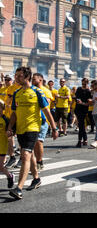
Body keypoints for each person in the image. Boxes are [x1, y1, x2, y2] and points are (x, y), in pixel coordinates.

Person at [7, 67, 58, 200]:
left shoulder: (37, 92)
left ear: (27, 77)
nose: (16, 78)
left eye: (19, 76)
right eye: (16, 75)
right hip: (20, 129)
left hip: (33, 128)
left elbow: (46, 111)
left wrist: (54, 128)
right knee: (29, 155)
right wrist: (10, 127)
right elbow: (14, 113)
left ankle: (18, 188)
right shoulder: (17, 93)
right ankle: (36, 178)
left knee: (25, 155)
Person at [31, 73, 54, 170]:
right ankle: (34, 161)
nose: (32, 80)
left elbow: (47, 103)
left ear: (40, 80)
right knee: (33, 143)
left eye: (34, 79)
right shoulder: (31, 90)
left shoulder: (46, 91)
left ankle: (39, 161)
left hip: (43, 119)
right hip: (33, 119)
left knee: (39, 141)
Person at [0, 100, 15, 189]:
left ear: (3, 109)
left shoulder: (5, 120)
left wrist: (9, 133)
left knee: (0, 167)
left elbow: (11, 133)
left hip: (2, 145)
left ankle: (10, 176)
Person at [74, 78, 92, 148]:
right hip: (77, 109)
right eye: (83, 83)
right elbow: (76, 97)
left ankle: (79, 141)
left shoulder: (88, 91)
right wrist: (76, 100)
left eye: (85, 83)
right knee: (81, 125)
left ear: (87, 83)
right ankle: (85, 139)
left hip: (84, 109)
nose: (84, 84)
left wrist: (82, 103)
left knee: (81, 125)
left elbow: (89, 103)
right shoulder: (79, 89)